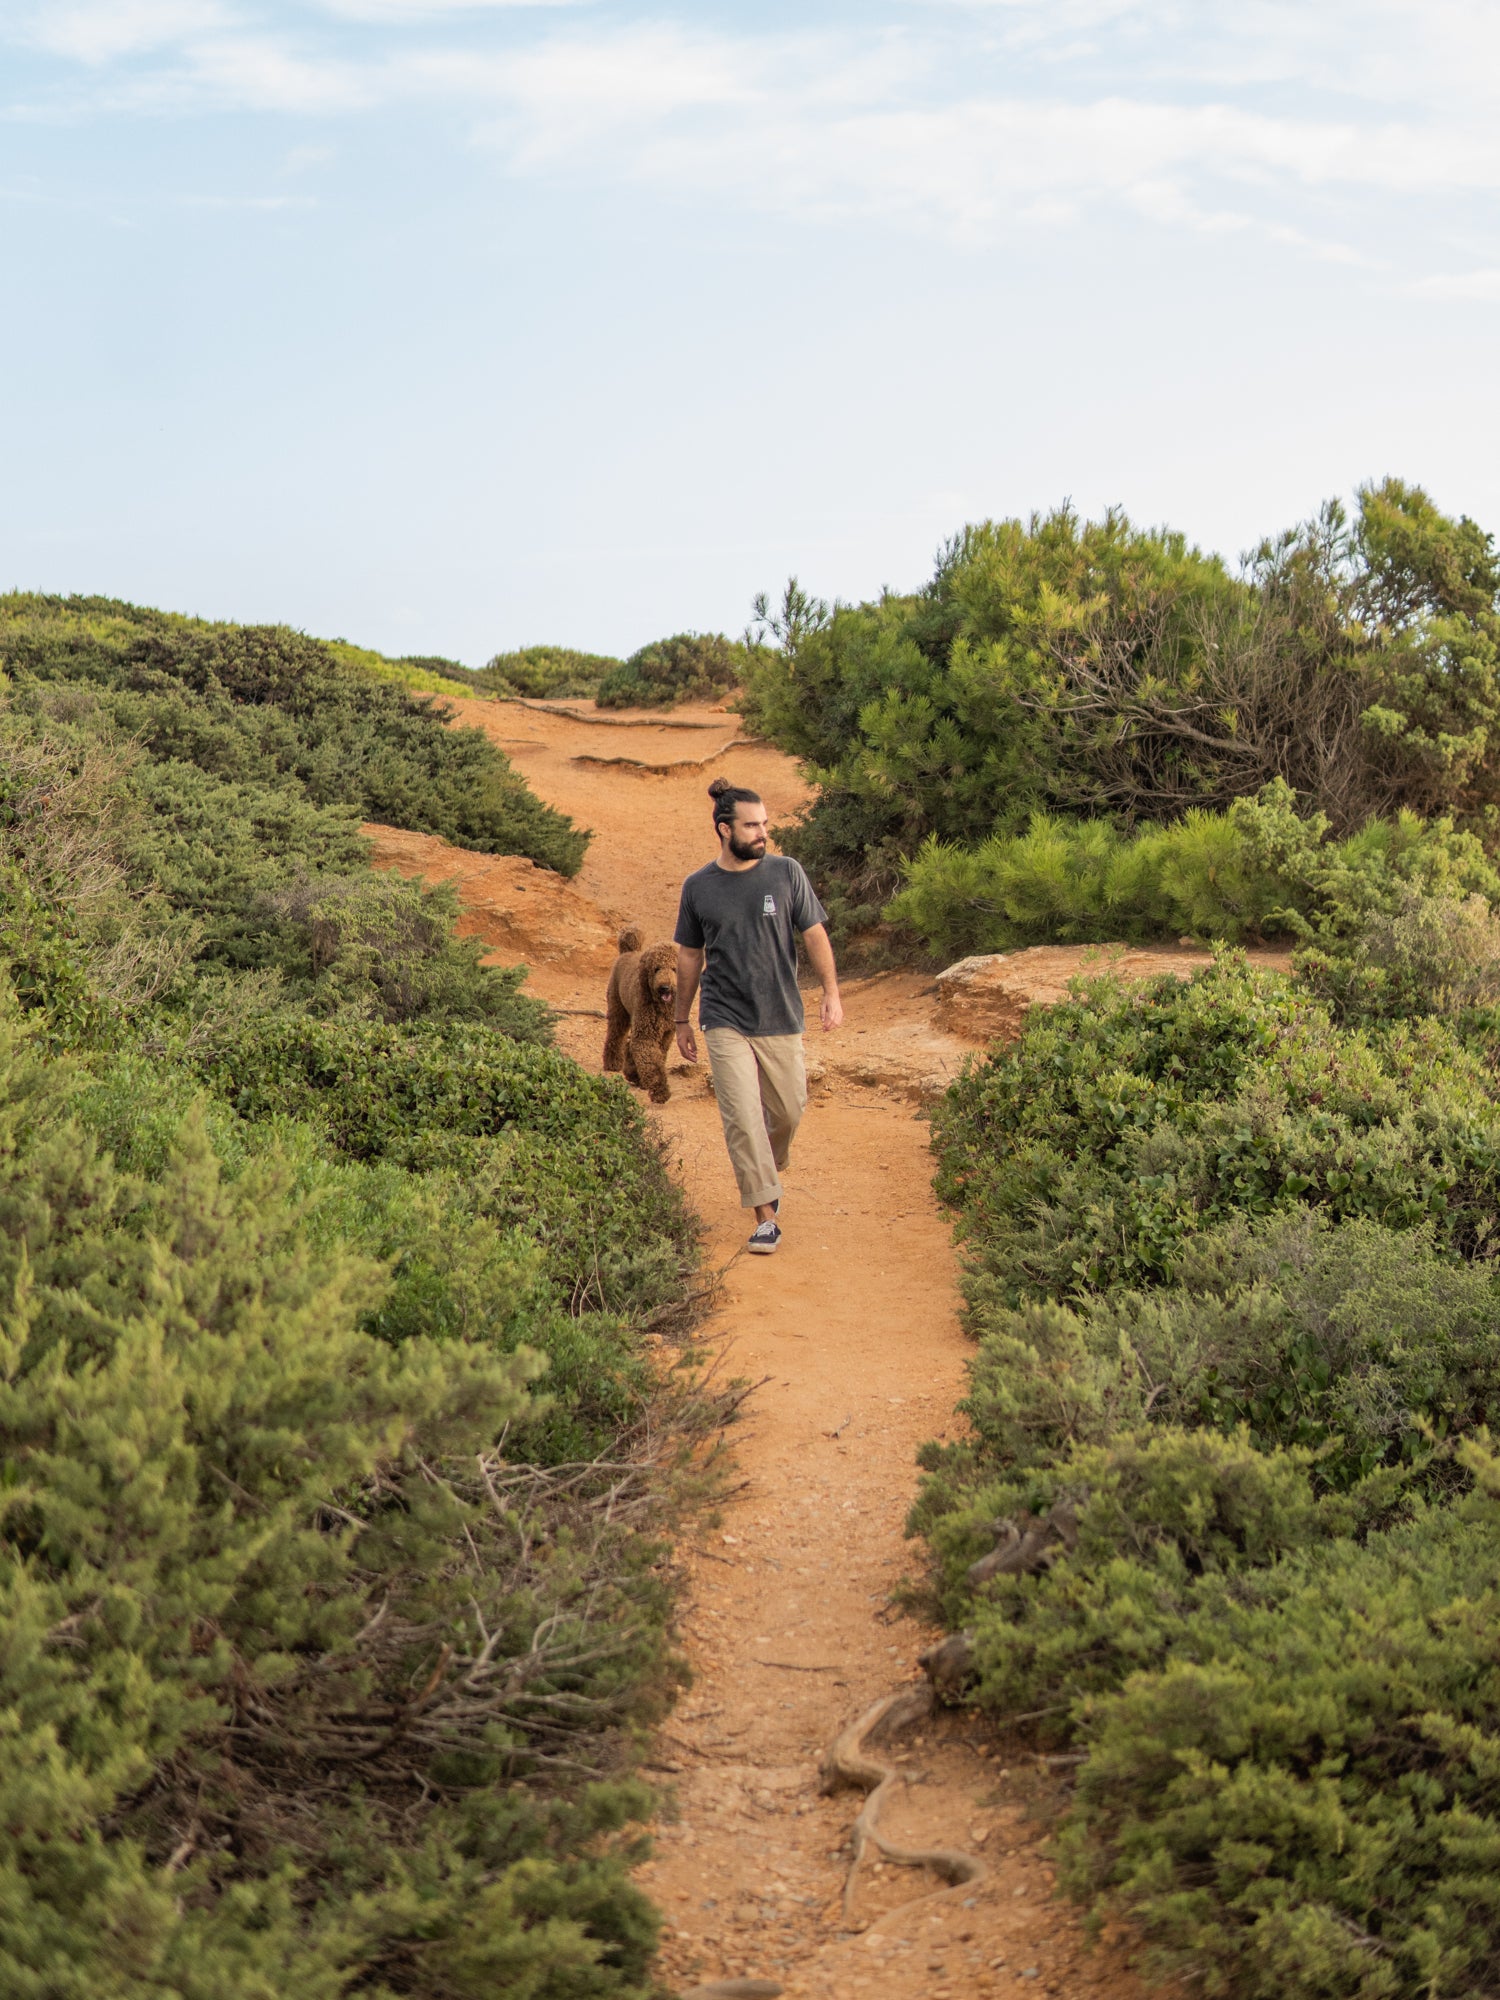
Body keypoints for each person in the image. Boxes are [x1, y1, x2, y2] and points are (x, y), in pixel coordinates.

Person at [673, 778, 843, 1256]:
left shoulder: (787, 873)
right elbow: (689, 957)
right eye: (752, 825)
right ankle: (764, 1214)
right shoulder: (698, 887)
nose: (762, 832)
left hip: (780, 1013)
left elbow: (814, 935)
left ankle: (766, 1163)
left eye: (765, 824)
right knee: (743, 1117)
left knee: (788, 1112)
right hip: (724, 1015)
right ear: (724, 830)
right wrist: (681, 1020)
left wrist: (831, 993)